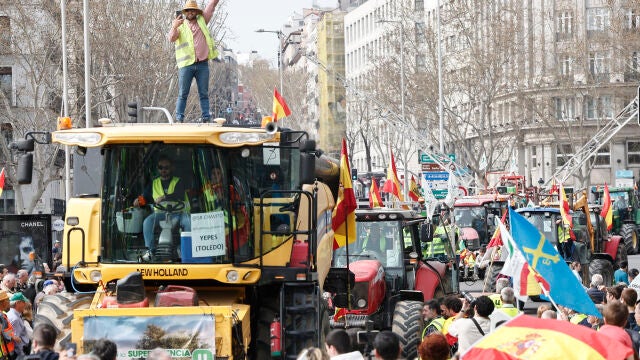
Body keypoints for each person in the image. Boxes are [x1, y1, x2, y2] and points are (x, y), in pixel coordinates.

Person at [168, 0, 220, 123]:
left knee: (204, 93)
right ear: (185, 12)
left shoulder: (202, 20)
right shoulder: (179, 24)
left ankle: (206, 117)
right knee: (183, 93)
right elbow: (171, 38)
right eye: (188, 10)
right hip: (186, 65)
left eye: (193, 10)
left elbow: (211, 6)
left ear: (196, 12)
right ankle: (179, 118)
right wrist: (174, 26)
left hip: (202, 64)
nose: (191, 12)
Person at [134, 155, 191, 261]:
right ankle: (150, 251)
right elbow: (145, 197)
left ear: (172, 168)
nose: (163, 170)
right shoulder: (154, 183)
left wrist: (164, 197)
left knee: (188, 222)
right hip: (160, 215)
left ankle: (185, 250)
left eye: (166, 167)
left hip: (179, 213)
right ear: (158, 169)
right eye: (161, 167)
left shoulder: (178, 181)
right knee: (147, 222)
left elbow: (179, 194)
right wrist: (138, 201)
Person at [7, 292, 30, 357]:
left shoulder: (10, 313)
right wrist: (22, 356)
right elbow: (16, 341)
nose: (25, 304)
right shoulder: (15, 318)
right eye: (23, 302)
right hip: (22, 351)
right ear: (18, 303)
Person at [0, 290, 17, 360]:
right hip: (6, 351)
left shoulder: (3, 313)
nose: (9, 303)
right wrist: (14, 337)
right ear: (2, 302)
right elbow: (6, 333)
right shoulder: (1, 316)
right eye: (7, 300)